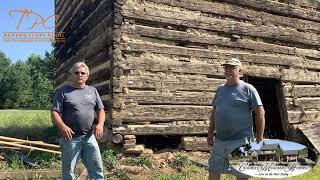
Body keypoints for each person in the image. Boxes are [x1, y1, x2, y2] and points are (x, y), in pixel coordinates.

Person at [207, 58, 265, 180]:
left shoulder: (248, 89)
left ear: (240, 71)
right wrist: (210, 132)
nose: (228, 70)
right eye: (226, 68)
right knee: (213, 169)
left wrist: (259, 138)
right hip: (220, 140)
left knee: (241, 174)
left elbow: (260, 113)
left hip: (241, 141)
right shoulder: (220, 89)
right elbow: (214, 112)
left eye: (232, 68)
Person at [52, 62, 105, 180]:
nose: (79, 75)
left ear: (87, 76)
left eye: (82, 73)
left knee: (97, 169)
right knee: (69, 172)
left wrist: (100, 124)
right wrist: (63, 127)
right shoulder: (63, 91)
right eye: (76, 72)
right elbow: (55, 112)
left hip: (89, 136)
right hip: (70, 138)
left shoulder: (93, 91)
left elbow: (100, 110)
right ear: (71, 75)